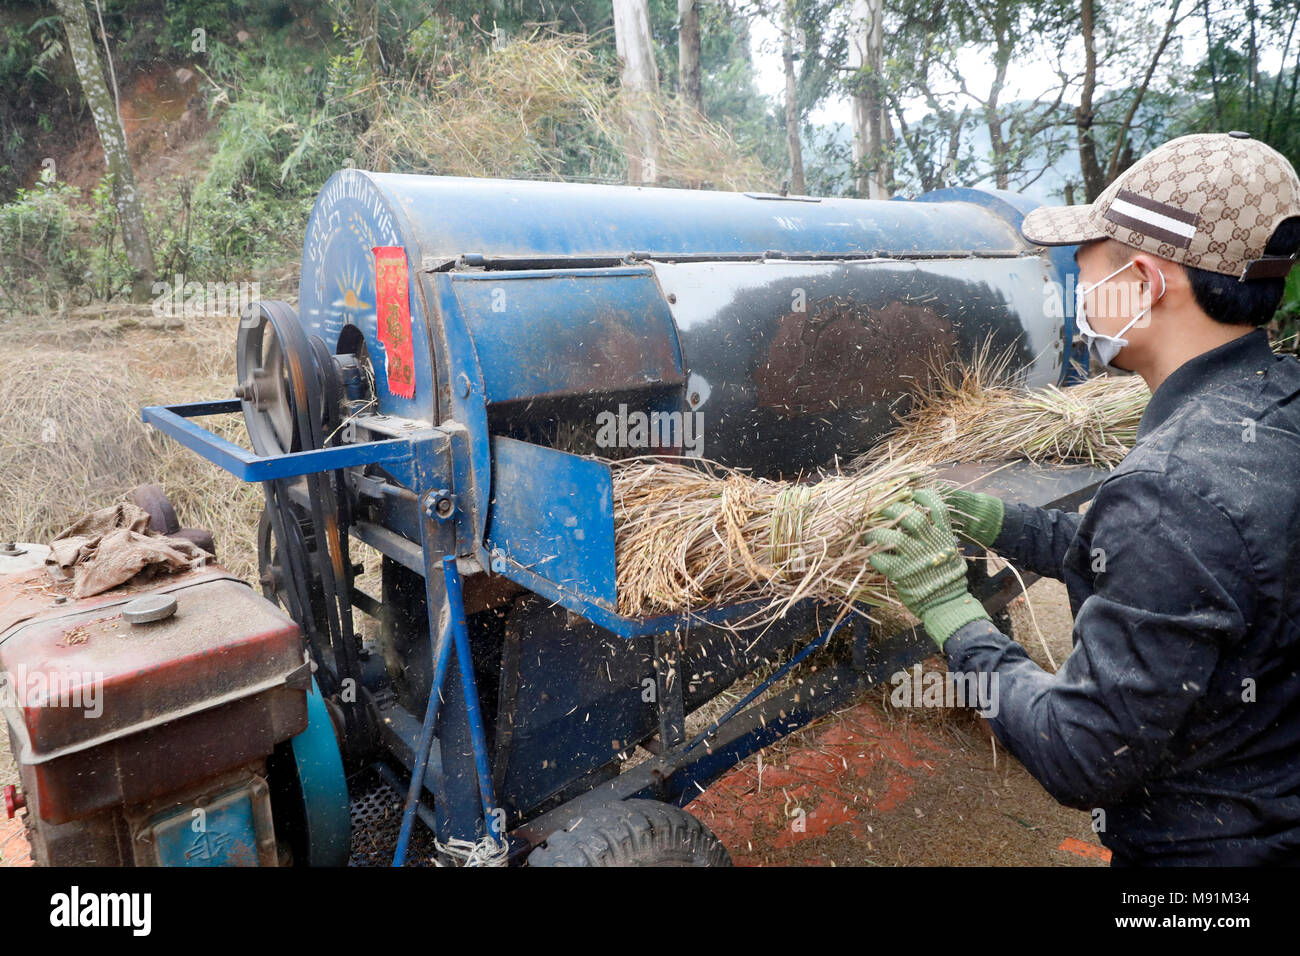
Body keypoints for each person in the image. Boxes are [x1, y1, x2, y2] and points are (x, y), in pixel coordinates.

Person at [866, 132, 1300, 865]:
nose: (1079, 293)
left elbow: (1081, 755)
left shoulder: (1172, 485)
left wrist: (948, 606)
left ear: (1146, 280)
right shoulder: (1273, 404)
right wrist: (1002, 521)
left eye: (1086, 269)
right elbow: (1182, 579)